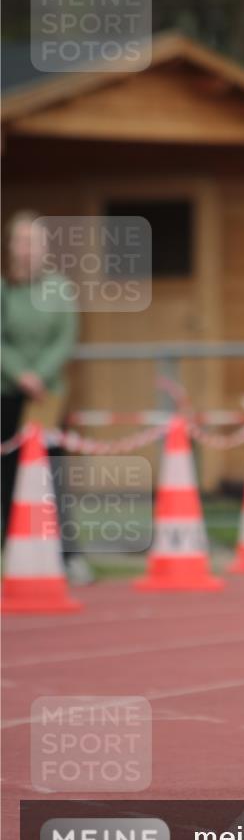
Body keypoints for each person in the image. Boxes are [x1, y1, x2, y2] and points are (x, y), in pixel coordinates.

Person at [1, 211, 93, 584]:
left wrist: (39, 375)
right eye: (20, 241)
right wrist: (19, 373)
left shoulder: (60, 289)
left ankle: (67, 555)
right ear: (10, 246)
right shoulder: (5, 289)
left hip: (48, 398)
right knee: (7, 476)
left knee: (53, 477)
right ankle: (15, 551)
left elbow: (65, 338)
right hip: (8, 394)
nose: (27, 249)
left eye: (33, 242)